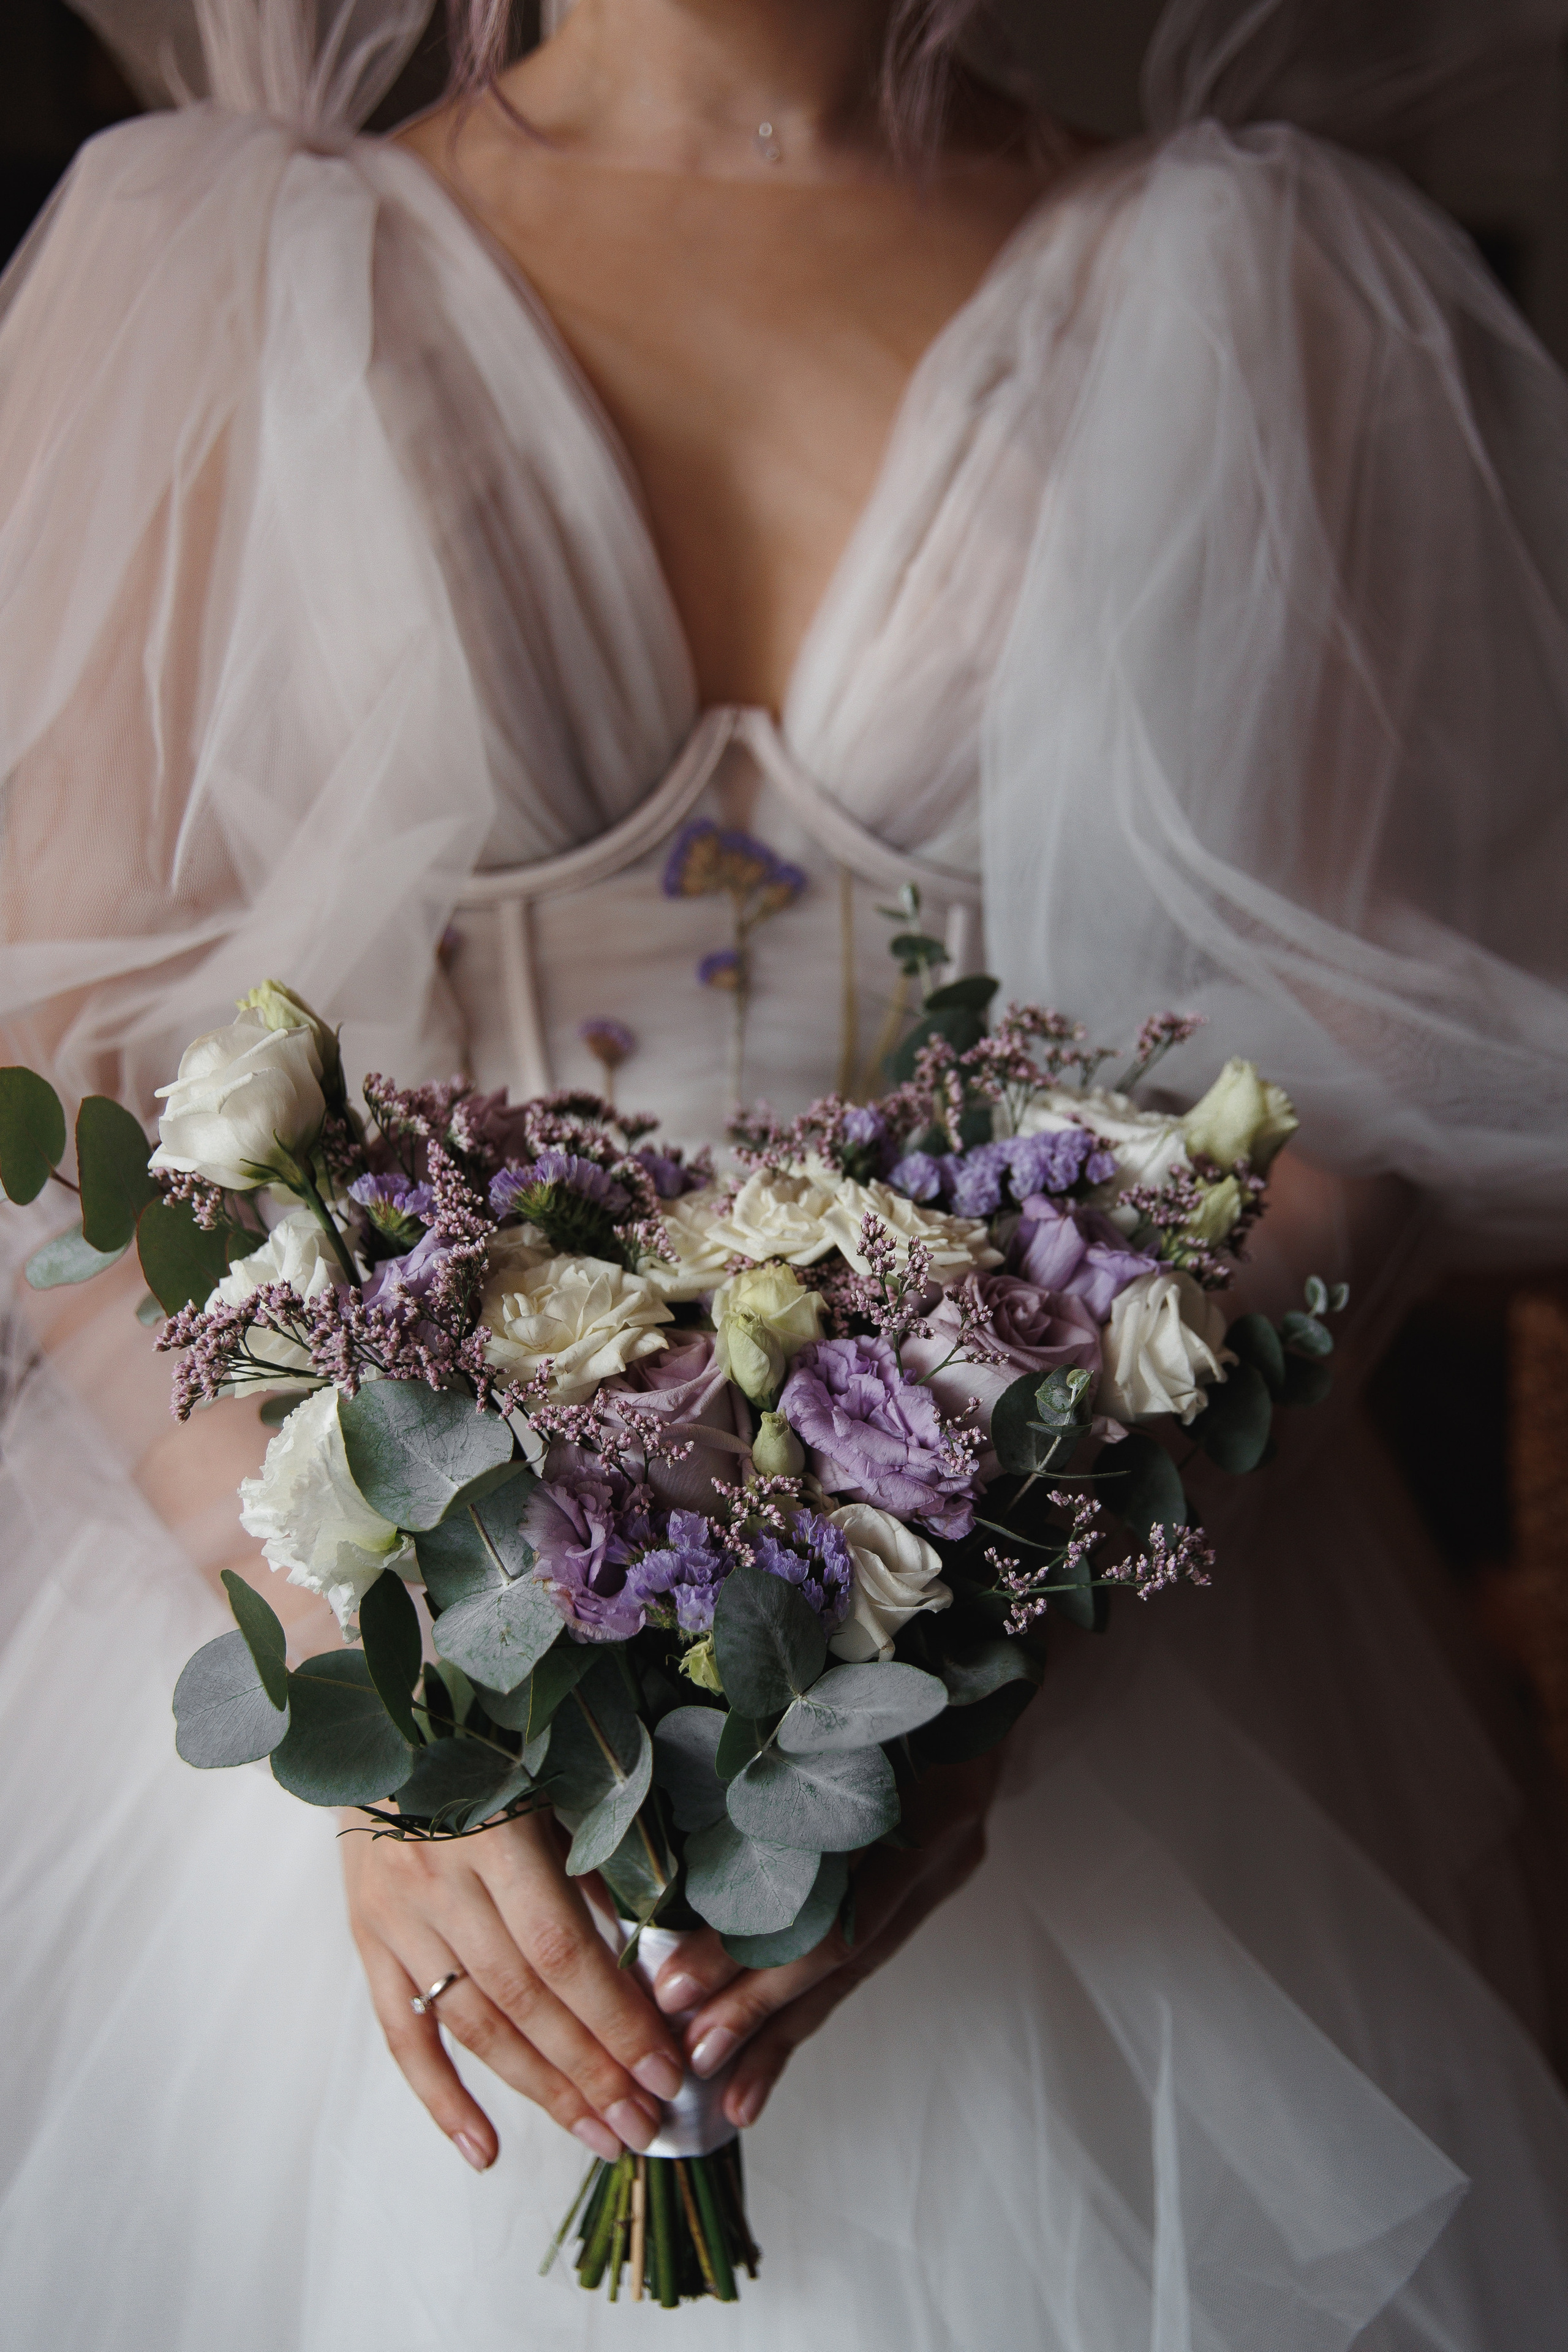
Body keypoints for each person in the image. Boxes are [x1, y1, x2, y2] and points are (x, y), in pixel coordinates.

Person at [1, 1, 1566, 2345]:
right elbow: (62, 1079)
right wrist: (381, 1696)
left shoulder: (1261, 286)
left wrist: (991, 1676)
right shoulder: (204, 272)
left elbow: (1338, 1097)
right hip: (373, 1690)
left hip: (1086, 1650)